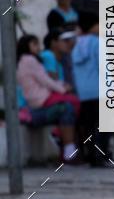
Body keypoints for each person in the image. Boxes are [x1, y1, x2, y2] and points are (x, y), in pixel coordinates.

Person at [16, 34, 79, 164]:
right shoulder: (29, 60)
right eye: (34, 44)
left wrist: (61, 86)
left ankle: (66, 147)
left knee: (68, 108)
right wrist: (62, 89)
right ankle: (67, 147)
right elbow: (45, 80)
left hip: (39, 102)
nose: (38, 47)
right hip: (38, 104)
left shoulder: (27, 60)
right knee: (68, 106)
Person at [72, 13, 112, 167]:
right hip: (99, 90)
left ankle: (90, 155)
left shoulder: (76, 44)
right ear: (93, 26)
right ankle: (102, 155)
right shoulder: (98, 42)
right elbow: (104, 67)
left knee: (88, 126)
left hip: (83, 93)